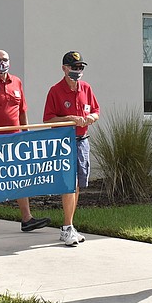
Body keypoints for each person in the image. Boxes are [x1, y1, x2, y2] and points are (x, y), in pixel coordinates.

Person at [0, 50, 50, 233]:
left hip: (15, 139)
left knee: (19, 177)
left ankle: (27, 218)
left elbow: (22, 110)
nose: (1, 63)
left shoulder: (16, 82)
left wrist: (26, 131)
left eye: (4, 60)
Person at [43, 51, 100, 247]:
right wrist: (69, 119)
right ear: (64, 68)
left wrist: (91, 118)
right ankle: (67, 227)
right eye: (74, 67)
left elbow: (96, 111)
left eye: (80, 68)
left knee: (77, 184)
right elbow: (48, 119)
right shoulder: (55, 90)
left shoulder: (86, 88)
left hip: (82, 140)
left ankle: (70, 225)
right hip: (65, 143)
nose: (78, 71)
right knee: (69, 183)